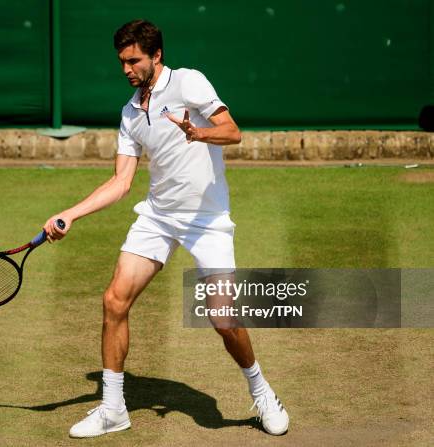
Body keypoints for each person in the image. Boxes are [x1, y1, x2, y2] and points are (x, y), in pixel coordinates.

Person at [43, 19, 289, 438]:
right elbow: (121, 183)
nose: (126, 69)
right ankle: (113, 407)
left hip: (207, 221)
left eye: (133, 60)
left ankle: (262, 391)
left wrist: (200, 133)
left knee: (222, 318)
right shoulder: (130, 113)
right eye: (122, 61)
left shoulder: (189, 83)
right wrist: (71, 213)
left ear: (156, 55)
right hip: (158, 217)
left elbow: (234, 133)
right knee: (114, 300)